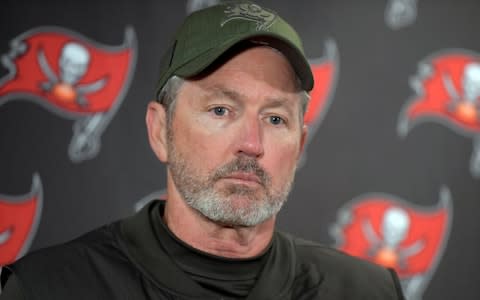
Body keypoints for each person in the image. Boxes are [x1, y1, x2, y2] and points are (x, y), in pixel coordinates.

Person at [0, 1, 406, 299]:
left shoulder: (366, 292)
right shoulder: (48, 289)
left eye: (275, 118)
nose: (251, 144)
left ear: (299, 145)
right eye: (220, 110)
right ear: (161, 130)